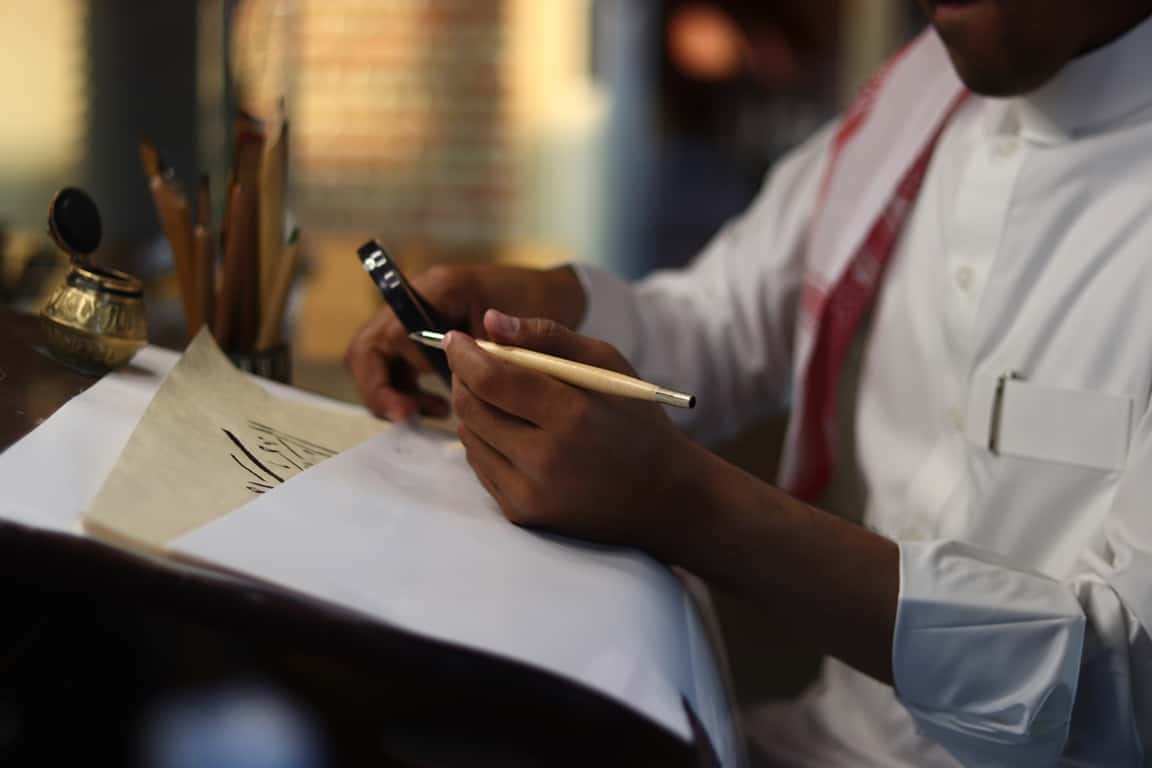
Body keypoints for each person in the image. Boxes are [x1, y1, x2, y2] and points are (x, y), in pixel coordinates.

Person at [345, 1, 1152, 764]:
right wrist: (553, 303)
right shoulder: (921, 97)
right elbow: (725, 321)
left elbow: (1128, 688)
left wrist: (688, 507)